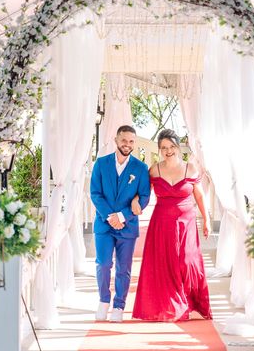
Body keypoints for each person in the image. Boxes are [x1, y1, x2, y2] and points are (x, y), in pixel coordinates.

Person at [132, 129, 212, 322]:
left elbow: (199, 195)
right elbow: (143, 192)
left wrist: (206, 219)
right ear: (160, 150)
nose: (168, 151)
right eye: (164, 148)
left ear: (178, 147)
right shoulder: (154, 170)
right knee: (164, 264)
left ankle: (191, 301)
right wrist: (135, 200)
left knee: (188, 262)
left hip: (187, 222)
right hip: (162, 223)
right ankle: (172, 305)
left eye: (171, 147)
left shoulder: (190, 169)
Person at [90, 125, 150, 323]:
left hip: (128, 226)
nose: (128, 145)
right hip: (104, 225)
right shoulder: (101, 164)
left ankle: (118, 305)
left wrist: (122, 217)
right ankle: (103, 300)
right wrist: (111, 217)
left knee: (124, 268)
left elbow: (144, 197)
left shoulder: (140, 168)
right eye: (124, 140)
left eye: (131, 141)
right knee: (104, 264)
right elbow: (95, 194)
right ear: (116, 140)